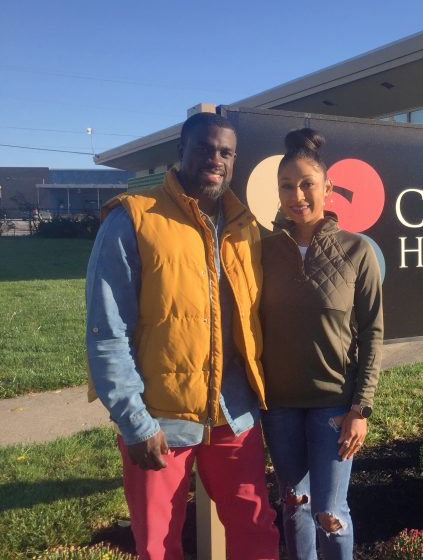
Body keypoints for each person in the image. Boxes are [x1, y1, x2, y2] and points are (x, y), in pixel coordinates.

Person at [85, 112, 279, 560]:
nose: (216, 159)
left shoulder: (245, 225)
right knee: (157, 545)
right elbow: (107, 329)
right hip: (159, 418)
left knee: (256, 532)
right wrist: (134, 422)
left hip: (235, 414)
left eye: (226, 152)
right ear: (181, 152)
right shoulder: (133, 218)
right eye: (205, 149)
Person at [260, 128, 383, 560]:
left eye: (307, 184)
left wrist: (360, 409)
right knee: (294, 505)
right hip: (279, 406)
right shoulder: (262, 252)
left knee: (330, 513)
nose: (297, 195)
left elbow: (372, 333)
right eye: (286, 186)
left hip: (334, 406)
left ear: (328, 188)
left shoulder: (357, 251)